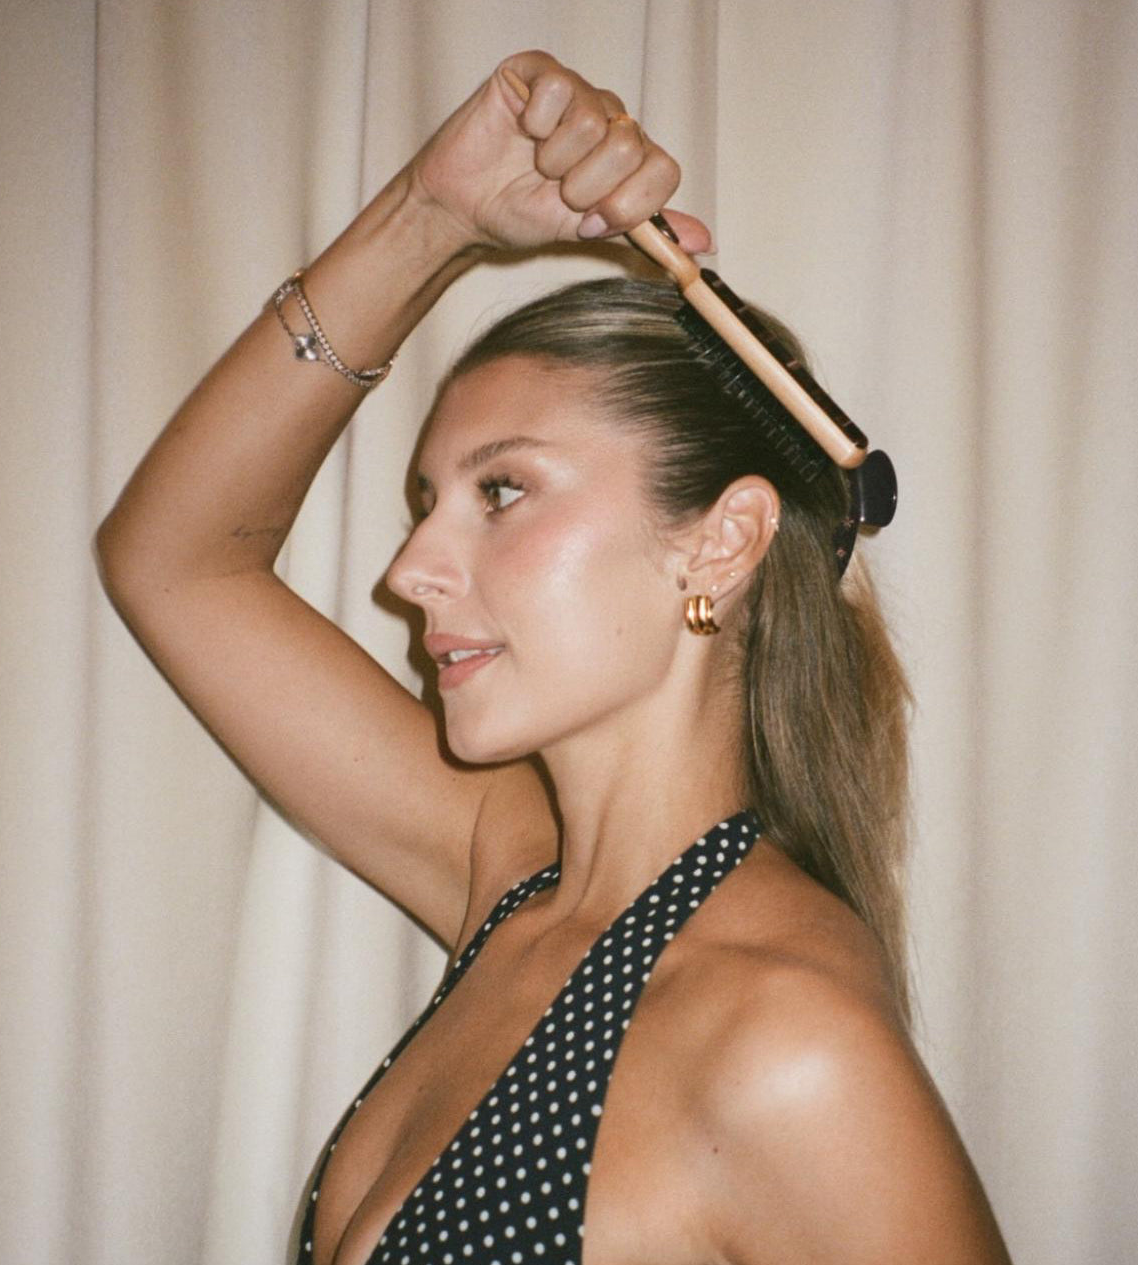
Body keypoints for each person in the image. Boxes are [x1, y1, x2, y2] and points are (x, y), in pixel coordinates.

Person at [95, 49, 1011, 1265]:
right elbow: (172, 560)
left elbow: (175, 564)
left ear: (721, 541)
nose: (408, 569)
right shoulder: (518, 878)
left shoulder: (781, 1041)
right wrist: (432, 218)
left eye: (502, 490)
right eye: (428, 499)